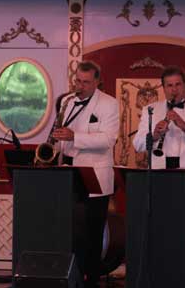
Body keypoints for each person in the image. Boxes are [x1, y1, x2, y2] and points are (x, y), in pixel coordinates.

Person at [52, 60, 119, 288]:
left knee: (91, 232)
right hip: (68, 173)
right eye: (78, 81)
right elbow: (62, 137)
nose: (80, 86)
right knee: (70, 230)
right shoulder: (67, 102)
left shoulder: (109, 104)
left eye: (86, 82)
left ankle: (89, 279)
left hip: (94, 176)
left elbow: (108, 140)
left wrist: (74, 137)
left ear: (97, 81)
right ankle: (70, 276)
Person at [133, 65, 185, 169]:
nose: (174, 89)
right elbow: (137, 144)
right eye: (169, 85)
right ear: (163, 88)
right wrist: (154, 135)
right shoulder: (150, 110)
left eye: (178, 84)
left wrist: (184, 126)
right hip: (159, 172)